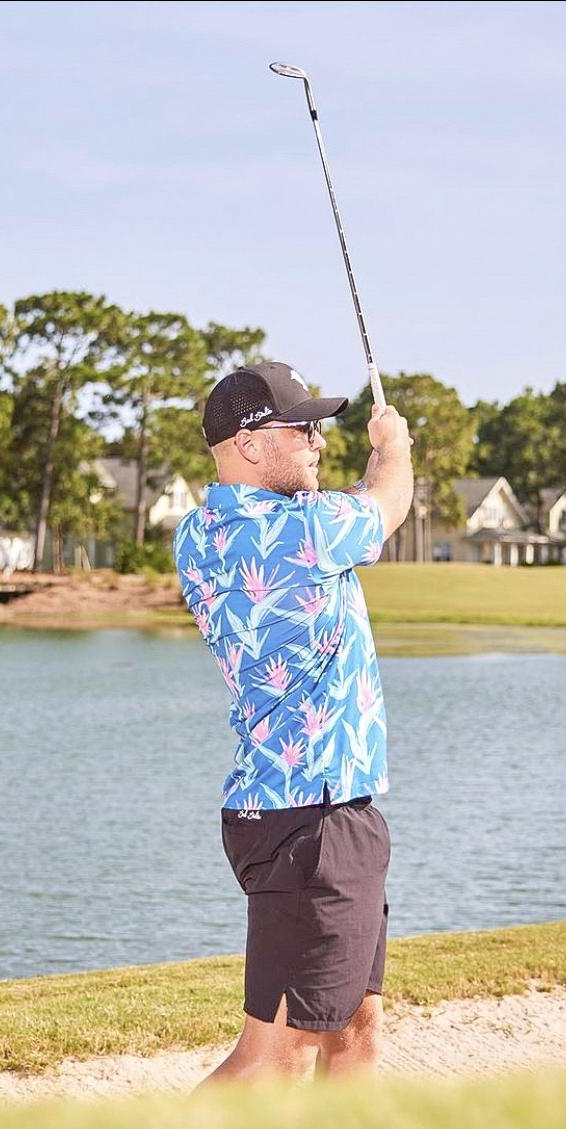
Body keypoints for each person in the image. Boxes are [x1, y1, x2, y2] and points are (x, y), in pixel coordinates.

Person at [173, 361, 413, 1082]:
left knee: (355, 1026)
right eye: (301, 426)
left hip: (308, 812)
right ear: (247, 443)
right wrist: (391, 447)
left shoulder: (199, 532)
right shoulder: (301, 530)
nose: (318, 440)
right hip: (311, 820)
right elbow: (387, 500)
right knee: (274, 1053)